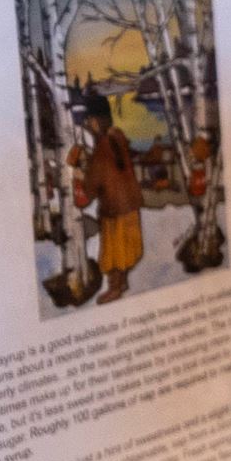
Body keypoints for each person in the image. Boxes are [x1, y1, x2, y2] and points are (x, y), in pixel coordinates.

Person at [74, 93, 142, 305]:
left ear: (95, 121)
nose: (88, 126)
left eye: (89, 122)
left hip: (114, 209)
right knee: (126, 248)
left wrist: (79, 175)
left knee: (114, 252)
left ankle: (115, 288)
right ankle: (122, 282)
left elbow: (92, 185)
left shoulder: (102, 147)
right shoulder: (118, 136)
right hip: (130, 205)